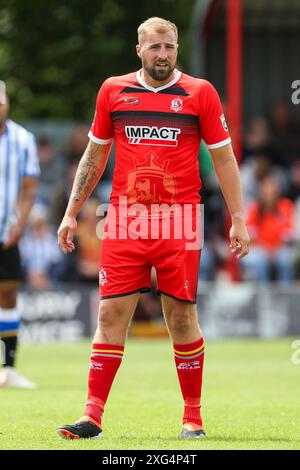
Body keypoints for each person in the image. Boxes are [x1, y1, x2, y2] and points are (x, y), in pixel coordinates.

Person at [56, 17, 250, 440]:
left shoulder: (201, 93)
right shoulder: (113, 90)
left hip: (181, 219)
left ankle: (193, 418)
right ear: (138, 49)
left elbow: (223, 158)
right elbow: (95, 155)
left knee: (181, 317)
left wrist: (238, 217)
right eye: (155, 48)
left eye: (170, 47)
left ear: (177, 48)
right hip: (124, 219)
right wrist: (72, 212)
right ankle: (91, 416)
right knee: (109, 313)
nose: (163, 55)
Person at [0, 80, 40, 388]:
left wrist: (19, 223)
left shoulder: (23, 139)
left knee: (8, 295)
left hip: (6, 233)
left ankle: (8, 368)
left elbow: (28, 190)